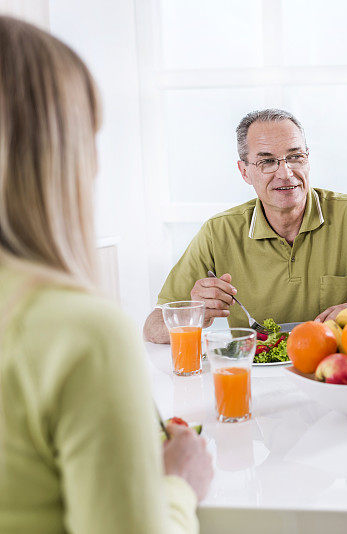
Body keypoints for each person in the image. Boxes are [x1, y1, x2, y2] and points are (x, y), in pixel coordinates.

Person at [0, 16, 212, 532]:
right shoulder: (80, 331)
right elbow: (157, 323)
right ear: (64, 156)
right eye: (91, 136)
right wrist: (179, 484)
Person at [143, 109, 347, 343]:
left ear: (308, 159)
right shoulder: (218, 233)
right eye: (267, 161)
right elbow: (152, 326)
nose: (285, 173)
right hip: (254, 382)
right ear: (244, 171)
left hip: (335, 380)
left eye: (295, 156)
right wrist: (193, 314)